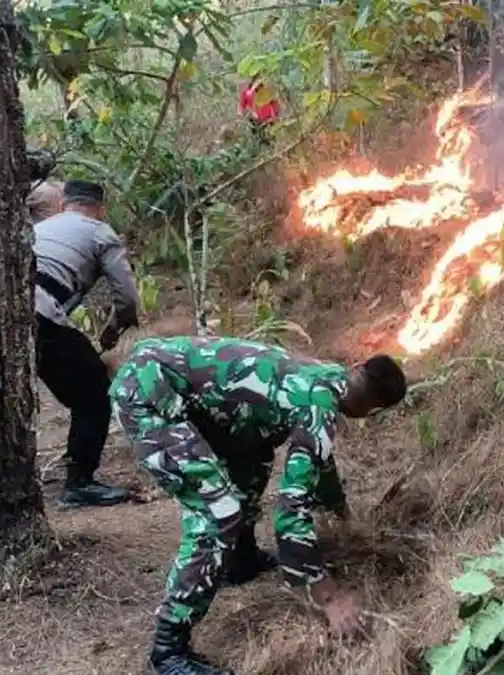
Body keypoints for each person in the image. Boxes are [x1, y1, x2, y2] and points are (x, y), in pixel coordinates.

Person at [108, 336, 408, 675]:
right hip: (149, 394)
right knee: (217, 513)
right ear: (374, 410)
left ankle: (241, 559)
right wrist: (328, 597)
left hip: (164, 376)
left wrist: (340, 511)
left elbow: (319, 460)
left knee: (257, 453)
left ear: (358, 369)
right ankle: (166, 650)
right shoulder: (320, 406)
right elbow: (290, 513)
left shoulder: (326, 375)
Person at [35, 180, 141, 507]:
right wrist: (115, 328)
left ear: (64, 203)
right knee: (94, 393)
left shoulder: (40, 226)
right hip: (39, 312)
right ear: (101, 207)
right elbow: (127, 298)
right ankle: (79, 482)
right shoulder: (100, 233)